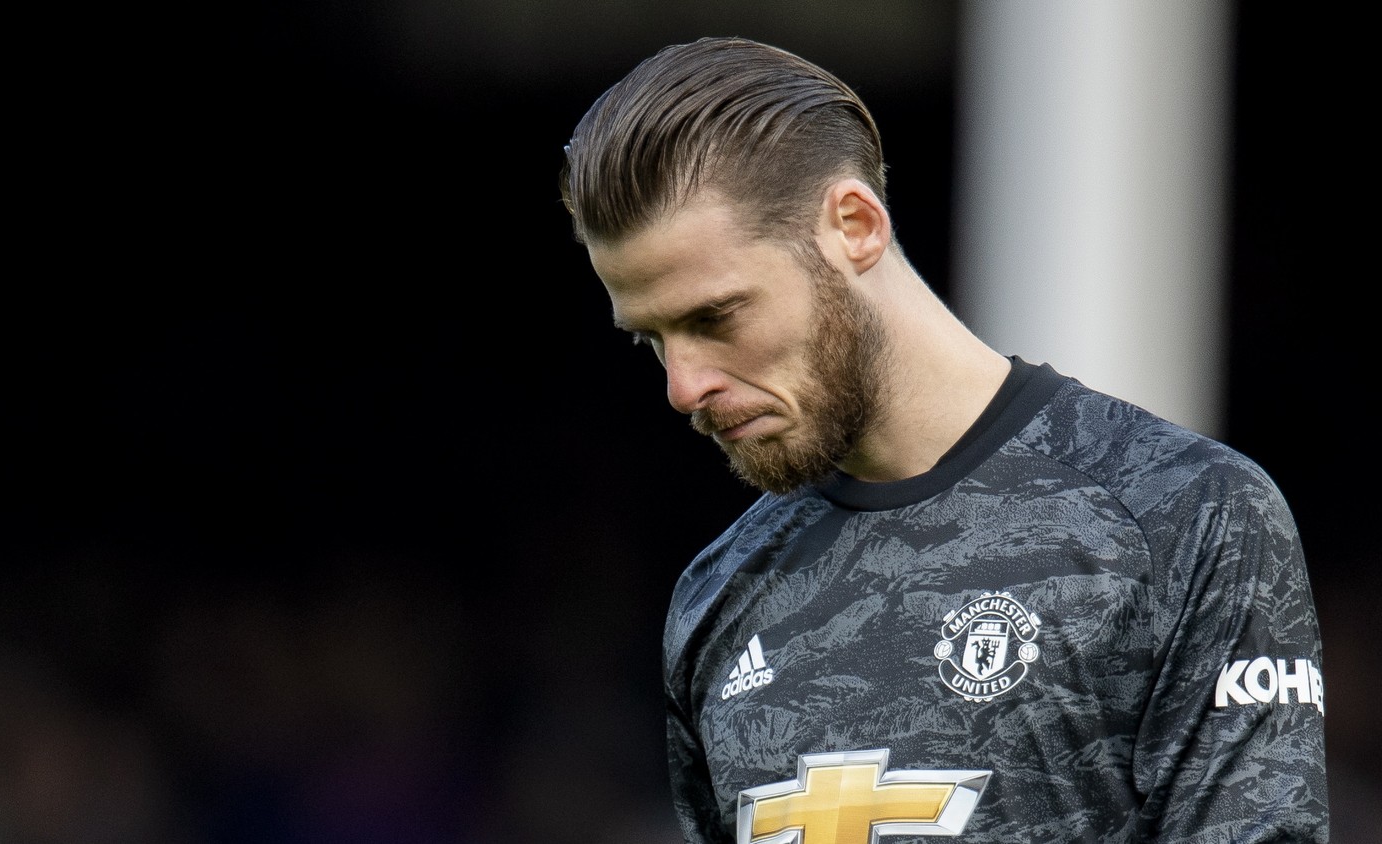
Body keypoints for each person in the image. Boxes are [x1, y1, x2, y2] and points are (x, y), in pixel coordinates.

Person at [558, 36, 1329, 843]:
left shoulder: (1183, 514)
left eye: (715, 317)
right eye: (652, 339)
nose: (683, 387)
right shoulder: (717, 598)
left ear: (854, 225)